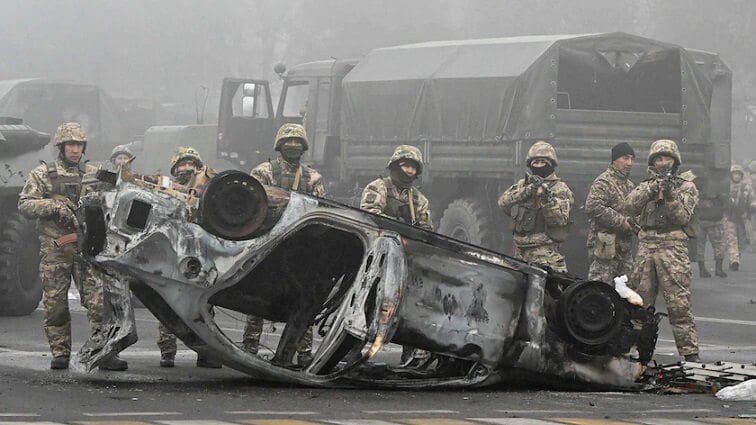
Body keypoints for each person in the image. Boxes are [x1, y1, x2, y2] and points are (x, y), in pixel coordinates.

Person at [18, 122, 128, 371]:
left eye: (79, 145)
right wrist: (55, 207)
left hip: (86, 247)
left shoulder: (92, 174)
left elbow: (115, 198)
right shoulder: (43, 174)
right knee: (56, 305)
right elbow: (25, 205)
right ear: (61, 147)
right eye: (71, 145)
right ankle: (60, 352)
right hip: (56, 248)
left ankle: (103, 352)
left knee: (99, 305)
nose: (75, 150)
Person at [242, 124, 325, 367]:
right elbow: (252, 205)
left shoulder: (313, 178)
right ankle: (250, 348)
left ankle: (304, 351)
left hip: (301, 248)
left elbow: (322, 210)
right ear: (279, 145)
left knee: (304, 300)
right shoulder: (263, 172)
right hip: (267, 243)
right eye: (288, 142)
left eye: (297, 143)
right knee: (257, 297)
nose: (293, 146)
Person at [621, 139, 701, 362]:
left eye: (666, 158)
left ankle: (690, 354)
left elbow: (682, 216)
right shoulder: (646, 185)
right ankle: (637, 352)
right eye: (658, 158)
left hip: (672, 247)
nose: (662, 162)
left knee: (679, 303)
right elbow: (628, 206)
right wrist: (651, 189)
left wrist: (670, 194)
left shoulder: (687, 186)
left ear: (675, 161)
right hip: (646, 246)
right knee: (639, 302)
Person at [360, 144, 432, 366]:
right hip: (377, 259)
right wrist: (398, 226)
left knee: (407, 307)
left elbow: (426, 230)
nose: (409, 171)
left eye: (413, 168)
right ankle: (355, 351)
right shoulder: (377, 188)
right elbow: (369, 217)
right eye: (405, 166)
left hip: (404, 260)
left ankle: (410, 354)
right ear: (395, 166)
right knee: (368, 306)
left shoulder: (418, 199)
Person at [158, 146, 222, 368]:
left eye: (191, 164)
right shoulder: (164, 189)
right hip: (172, 253)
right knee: (167, 301)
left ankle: (207, 353)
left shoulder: (208, 189)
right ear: (175, 169)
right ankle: (167, 351)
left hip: (201, 255)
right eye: (182, 165)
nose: (187, 168)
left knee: (204, 306)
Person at [497, 141, 574, 272]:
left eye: (543, 163)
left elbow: (559, 220)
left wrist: (546, 200)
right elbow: (503, 203)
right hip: (519, 254)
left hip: (544, 254)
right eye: (535, 163)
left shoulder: (560, 188)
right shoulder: (523, 184)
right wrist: (526, 192)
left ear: (551, 165)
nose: (539, 166)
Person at [584, 142, 636, 283]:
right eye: (625, 158)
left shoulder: (629, 185)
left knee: (626, 292)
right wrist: (620, 221)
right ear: (614, 160)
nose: (629, 163)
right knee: (601, 291)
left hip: (623, 249)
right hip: (604, 249)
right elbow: (593, 206)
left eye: (632, 159)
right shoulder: (604, 182)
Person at [694, 175, 727, 278]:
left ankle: (702, 270)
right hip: (714, 220)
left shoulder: (694, 188)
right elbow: (725, 201)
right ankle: (718, 269)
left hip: (700, 220)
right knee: (718, 244)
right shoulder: (719, 186)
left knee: (699, 246)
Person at [723, 164, 755, 271]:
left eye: (738, 174)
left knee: (742, 241)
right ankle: (734, 259)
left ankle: (737, 256)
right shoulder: (726, 186)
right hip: (730, 217)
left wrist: (752, 207)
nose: (736, 176)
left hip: (743, 218)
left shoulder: (746, 188)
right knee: (731, 239)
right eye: (734, 174)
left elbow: (752, 200)